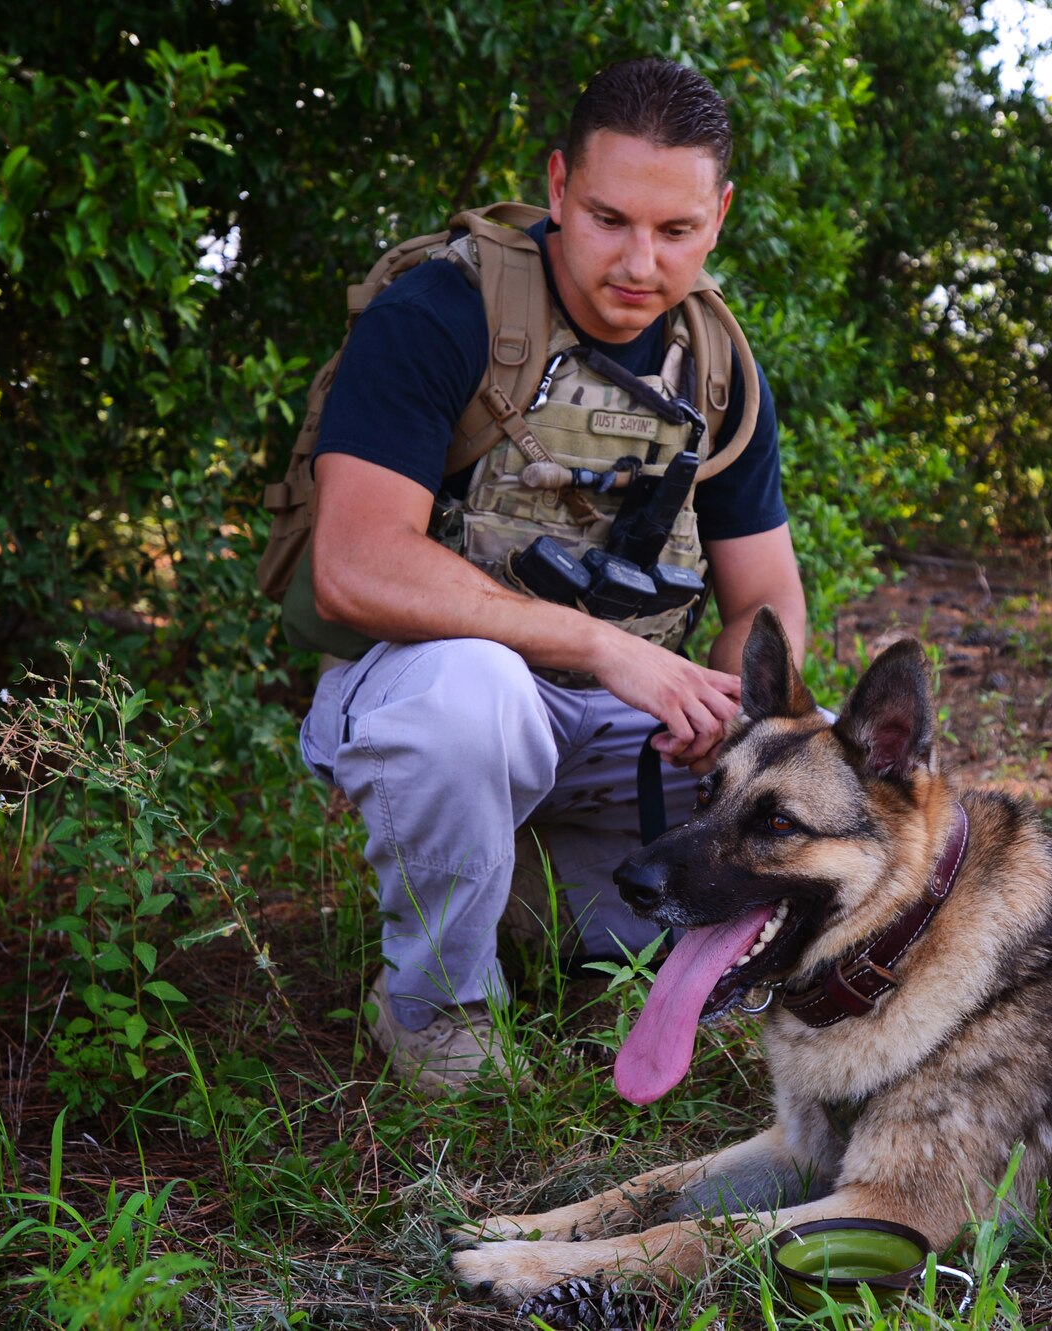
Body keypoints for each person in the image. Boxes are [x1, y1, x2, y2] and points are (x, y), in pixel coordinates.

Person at [296, 58, 808, 1094]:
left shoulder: (717, 364)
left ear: (719, 216)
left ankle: (588, 947)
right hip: (441, 702)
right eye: (610, 218)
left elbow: (763, 604)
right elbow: (353, 564)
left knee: (805, 773)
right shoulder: (442, 311)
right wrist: (606, 646)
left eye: (674, 231)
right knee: (470, 699)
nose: (637, 262)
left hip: (615, 733)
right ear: (560, 185)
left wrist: (736, 719)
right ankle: (437, 1010)